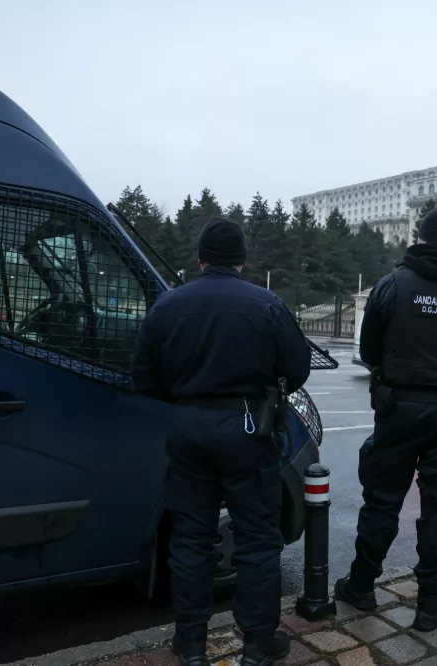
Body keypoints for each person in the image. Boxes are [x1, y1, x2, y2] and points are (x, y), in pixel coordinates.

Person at [132, 217, 311, 666]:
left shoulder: (169, 305)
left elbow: (144, 376)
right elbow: (298, 367)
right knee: (257, 540)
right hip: (248, 428)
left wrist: (187, 399)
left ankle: (190, 642)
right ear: (243, 261)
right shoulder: (266, 304)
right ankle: (258, 643)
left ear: (201, 258)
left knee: (190, 538)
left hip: (189, 427)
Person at [335, 206, 437, 631]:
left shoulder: (392, 284)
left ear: (421, 237)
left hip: (398, 408)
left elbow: (369, 349)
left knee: (382, 499)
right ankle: (430, 603)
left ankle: (361, 585)